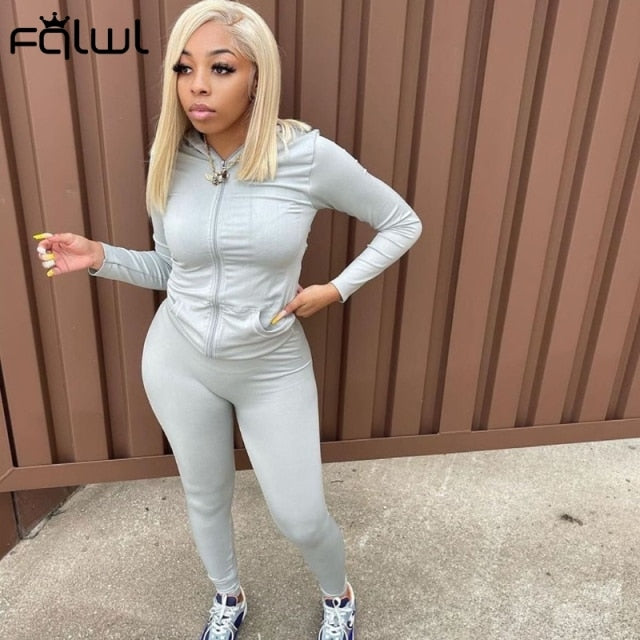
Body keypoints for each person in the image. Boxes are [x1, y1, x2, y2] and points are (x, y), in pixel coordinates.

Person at [33, 1, 422, 638]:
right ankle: (227, 596)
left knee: (300, 515)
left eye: (220, 68)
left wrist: (335, 290)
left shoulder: (306, 156)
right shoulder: (170, 156)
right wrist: (101, 257)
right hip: (178, 359)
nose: (198, 87)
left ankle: (338, 597)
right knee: (205, 496)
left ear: (257, 78)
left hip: (269, 365)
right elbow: (171, 268)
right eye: (184, 69)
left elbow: (402, 222)